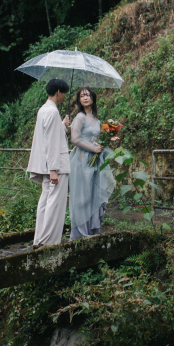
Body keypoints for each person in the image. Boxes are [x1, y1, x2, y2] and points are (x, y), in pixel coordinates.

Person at [26, 78, 72, 249]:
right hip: (55, 166)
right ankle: (49, 241)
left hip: (46, 165)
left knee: (45, 201)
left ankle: (40, 239)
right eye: (64, 93)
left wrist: (62, 126)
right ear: (58, 92)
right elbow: (52, 142)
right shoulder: (52, 112)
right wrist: (53, 169)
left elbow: (48, 135)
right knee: (55, 203)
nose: (64, 96)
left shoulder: (44, 110)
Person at [68, 87, 116, 239]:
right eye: (82, 96)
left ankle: (93, 228)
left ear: (93, 98)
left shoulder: (97, 120)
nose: (85, 97)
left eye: (88, 95)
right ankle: (80, 232)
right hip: (82, 159)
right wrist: (93, 148)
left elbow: (96, 139)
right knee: (83, 195)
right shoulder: (79, 118)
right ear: (79, 100)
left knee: (93, 192)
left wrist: (102, 144)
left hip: (95, 160)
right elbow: (74, 139)